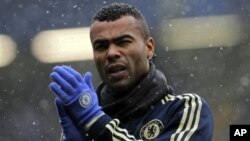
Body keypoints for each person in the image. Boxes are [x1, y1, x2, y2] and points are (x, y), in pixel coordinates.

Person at [49, 3, 214, 141]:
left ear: (149, 48)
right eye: (101, 46)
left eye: (123, 42)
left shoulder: (185, 109)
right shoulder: (84, 123)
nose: (111, 53)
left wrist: (95, 122)